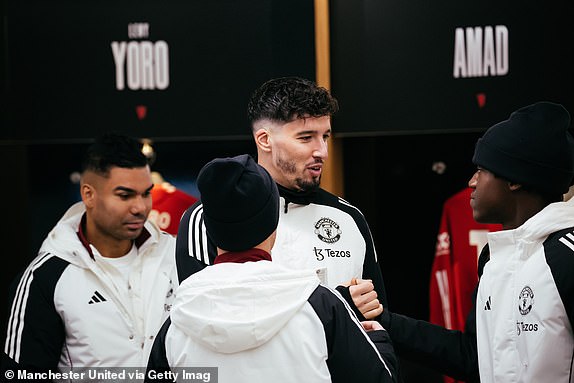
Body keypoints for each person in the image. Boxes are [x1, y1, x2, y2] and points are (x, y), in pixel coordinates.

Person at [146, 154, 398, 383]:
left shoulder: (177, 319)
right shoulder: (318, 304)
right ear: (273, 227)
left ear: (209, 230)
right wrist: (377, 341)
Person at [379, 101, 574, 383]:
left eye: (481, 170)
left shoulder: (565, 257)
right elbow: (474, 357)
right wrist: (384, 322)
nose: (471, 182)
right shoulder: (493, 258)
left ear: (514, 180)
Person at [176, 76, 386, 320]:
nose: (322, 152)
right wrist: (338, 305)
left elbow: (378, 322)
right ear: (265, 140)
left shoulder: (349, 217)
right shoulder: (210, 217)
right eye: (306, 138)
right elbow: (203, 319)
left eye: (325, 137)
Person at [2, 133, 177, 376]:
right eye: (125, 195)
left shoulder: (175, 256)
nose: (140, 207)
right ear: (88, 195)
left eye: (146, 193)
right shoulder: (45, 276)